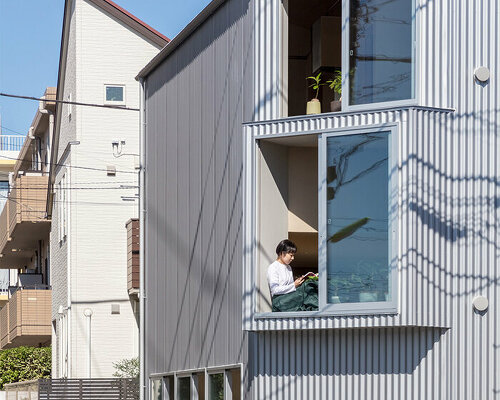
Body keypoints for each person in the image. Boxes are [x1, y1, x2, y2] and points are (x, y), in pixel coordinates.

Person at [267, 239, 318, 312]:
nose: (293, 258)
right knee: (307, 285)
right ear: (282, 253)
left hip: (289, 298)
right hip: (279, 301)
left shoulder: (288, 267)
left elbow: (291, 287)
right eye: (291, 255)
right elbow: (274, 290)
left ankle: (316, 309)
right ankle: (317, 309)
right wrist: (294, 285)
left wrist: (298, 282)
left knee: (310, 283)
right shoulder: (273, 267)